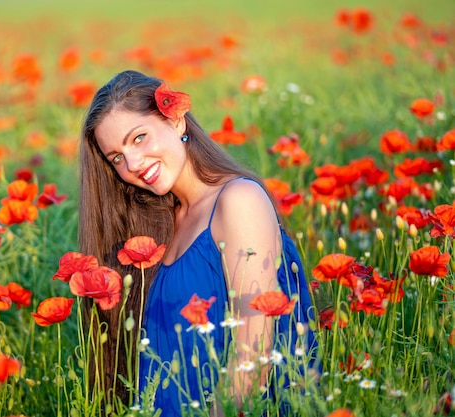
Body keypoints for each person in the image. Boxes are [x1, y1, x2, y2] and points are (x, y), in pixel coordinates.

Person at [78, 70, 319, 416]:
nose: (132, 164)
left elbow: (254, 354)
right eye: (116, 157)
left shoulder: (238, 200)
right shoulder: (161, 226)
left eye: (139, 138)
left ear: (176, 121)